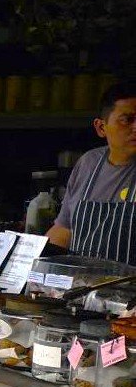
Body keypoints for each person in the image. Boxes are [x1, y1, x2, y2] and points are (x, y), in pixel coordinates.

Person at [48, 80, 136, 265]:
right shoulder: (89, 164)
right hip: (83, 287)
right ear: (101, 127)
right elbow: (64, 231)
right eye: (127, 120)